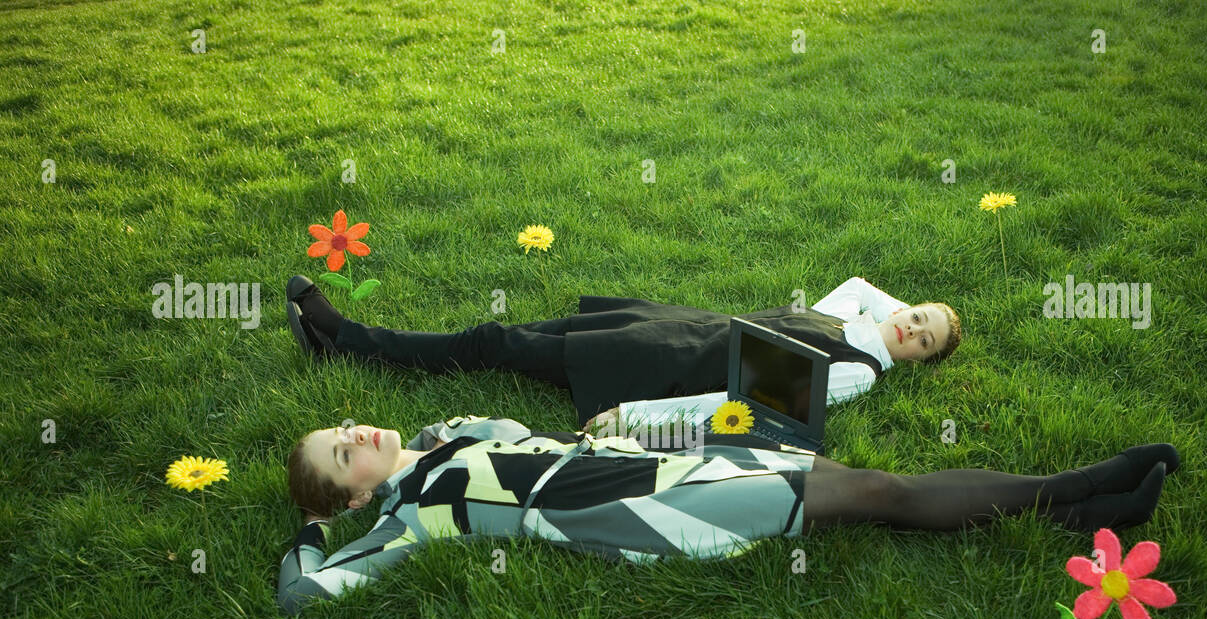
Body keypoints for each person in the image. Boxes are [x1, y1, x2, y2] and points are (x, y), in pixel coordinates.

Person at [277, 415, 1179, 616]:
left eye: (344, 427)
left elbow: (519, 434)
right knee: (876, 494)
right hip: (652, 510)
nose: (358, 433)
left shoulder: (444, 441)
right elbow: (304, 596)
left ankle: (1067, 512)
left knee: (858, 476)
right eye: (344, 453)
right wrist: (312, 537)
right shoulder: (411, 514)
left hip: (663, 460)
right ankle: (1083, 482)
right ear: (355, 493)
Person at [284, 275, 961, 431]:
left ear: (915, 361)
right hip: (668, 330)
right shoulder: (848, 317)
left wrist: (631, 415)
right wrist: (893, 309)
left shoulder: (854, 372)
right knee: (509, 336)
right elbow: (857, 289)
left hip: (660, 367)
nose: (912, 330)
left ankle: (346, 341)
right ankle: (342, 344)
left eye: (924, 341)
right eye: (917, 316)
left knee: (496, 343)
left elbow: (736, 400)